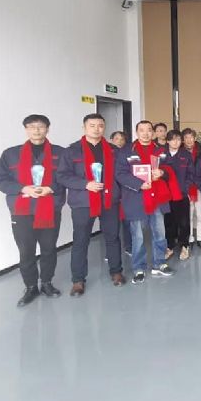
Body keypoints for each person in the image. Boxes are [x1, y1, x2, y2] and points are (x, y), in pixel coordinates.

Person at [0, 114, 65, 307]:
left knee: (49, 248)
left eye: (40, 126)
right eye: (32, 126)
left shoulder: (60, 153)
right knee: (26, 251)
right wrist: (23, 188)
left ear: (47, 129)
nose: (36, 130)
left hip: (50, 208)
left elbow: (67, 176)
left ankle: (47, 283)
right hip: (22, 211)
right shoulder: (10, 154)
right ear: (26, 129)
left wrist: (52, 188)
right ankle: (31, 286)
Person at [57, 113, 125, 297]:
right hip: (83, 202)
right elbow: (62, 176)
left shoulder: (113, 150)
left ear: (104, 128)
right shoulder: (72, 151)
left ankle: (116, 272)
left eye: (100, 126)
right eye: (92, 125)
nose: (96, 129)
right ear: (84, 127)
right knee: (81, 241)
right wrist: (85, 184)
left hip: (109, 200)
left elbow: (121, 172)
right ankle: (78, 280)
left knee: (112, 237)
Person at [116, 120, 175, 283]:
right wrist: (138, 184)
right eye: (142, 130)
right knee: (138, 236)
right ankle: (139, 268)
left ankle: (160, 263)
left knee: (160, 233)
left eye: (149, 130)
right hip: (136, 198)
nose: (146, 133)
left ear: (153, 133)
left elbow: (170, 168)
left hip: (157, 198)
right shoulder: (126, 151)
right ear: (136, 132)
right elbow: (120, 174)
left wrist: (162, 172)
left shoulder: (161, 150)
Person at [162, 129, 194, 261]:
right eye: (173, 139)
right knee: (168, 221)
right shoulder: (162, 155)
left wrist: (184, 188)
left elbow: (191, 174)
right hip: (166, 195)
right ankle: (169, 246)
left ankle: (184, 246)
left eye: (178, 139)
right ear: (167, 141)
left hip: (181, 194)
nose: (176, 142)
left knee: (184, 222)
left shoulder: (186, 155)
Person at [182, 128, 201, 249]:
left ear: (195, 138)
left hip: (200, 187)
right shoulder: (180, 152)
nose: (189, 140)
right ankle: (190, 237)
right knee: (189, 215)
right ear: (183, 140)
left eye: (191, 137)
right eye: (186, 137)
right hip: (187, 187)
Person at [110, 131, 132, 254]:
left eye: (122, 139)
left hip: (125, 191)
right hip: (112, 191)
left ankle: (129, 246)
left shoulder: (128, 153)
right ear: (112, 140)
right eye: (116, 138)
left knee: (127, 220)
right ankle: (111, 252)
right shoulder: (107, 153)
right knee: (111, 224)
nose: (119, 141)